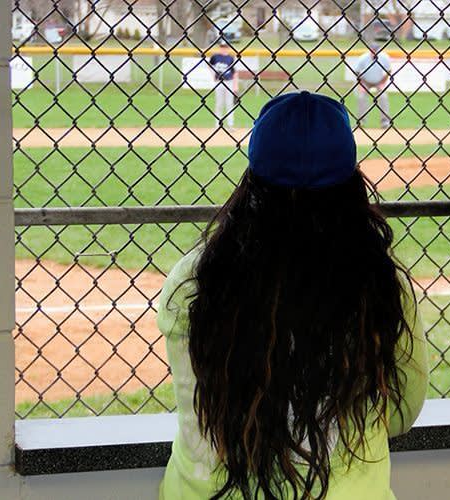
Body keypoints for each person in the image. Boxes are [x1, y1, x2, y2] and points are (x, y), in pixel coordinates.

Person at [157, 91, 429, 500]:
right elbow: (401, 412)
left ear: (252, 178)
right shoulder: (380, 283)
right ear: (351, 183)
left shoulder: (193, 279)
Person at [353, 43, 392, 129]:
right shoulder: (363, 58)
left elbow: (389, 71)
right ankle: (361, 121)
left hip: (379, 80)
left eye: (376, 51)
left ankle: (385, 121)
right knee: (361, 97)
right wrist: (361, 84)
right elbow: (357, 72)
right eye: (372, 51)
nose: (374, 52)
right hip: (365, 81)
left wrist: (382, 83)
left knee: (383, 97)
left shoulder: (384, 57)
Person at [208, 40, 238, 128]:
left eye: (225, 47)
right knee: (219, 104)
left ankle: (230, 124)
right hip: (219, 83)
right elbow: (209, 65)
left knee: (229, 104)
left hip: (229, 82)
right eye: (222, 47)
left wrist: (235, 86)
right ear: (219, 48)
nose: (223, 49)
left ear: (228, 48)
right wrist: (213, 74)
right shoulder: (215, 57)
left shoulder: (231, 58)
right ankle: (217, 124)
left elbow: (235, 72)